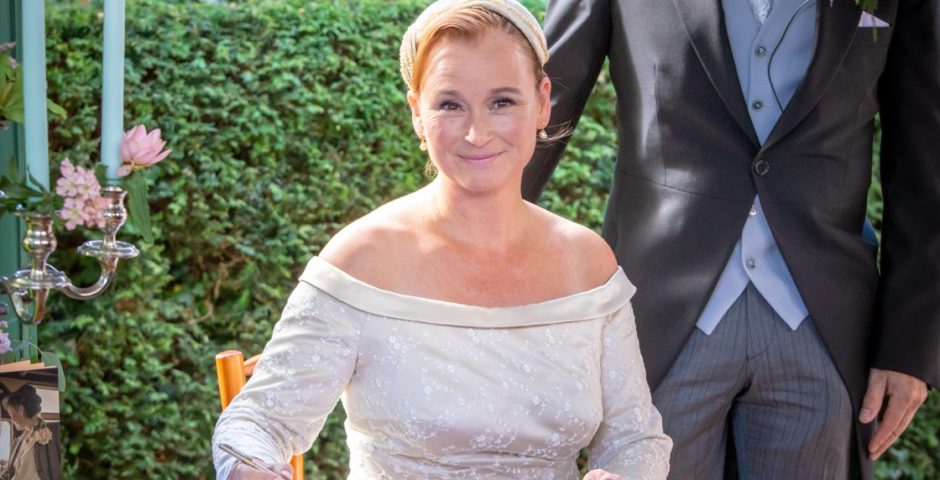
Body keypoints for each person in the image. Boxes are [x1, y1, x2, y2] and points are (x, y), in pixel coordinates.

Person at [212, 1, 672, 479]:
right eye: (450, 105)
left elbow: (634, 439)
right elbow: (257, 423)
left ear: (542, 102)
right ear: (417, 112)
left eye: (502, 102)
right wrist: (251, 469)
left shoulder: (587, 262)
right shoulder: (362, 258)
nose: (477, 133)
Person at [522, 0, 939, 478]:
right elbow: (538, 110)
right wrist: (475, 267)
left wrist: (910, 347)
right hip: (656, 317)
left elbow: (925, 162)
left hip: (825, 324)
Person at [0, 385, 59, 480]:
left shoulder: (54, 433)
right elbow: (8, 473)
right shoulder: (17, 442)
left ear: (20, 410)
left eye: (11, 414)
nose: (11, 419)